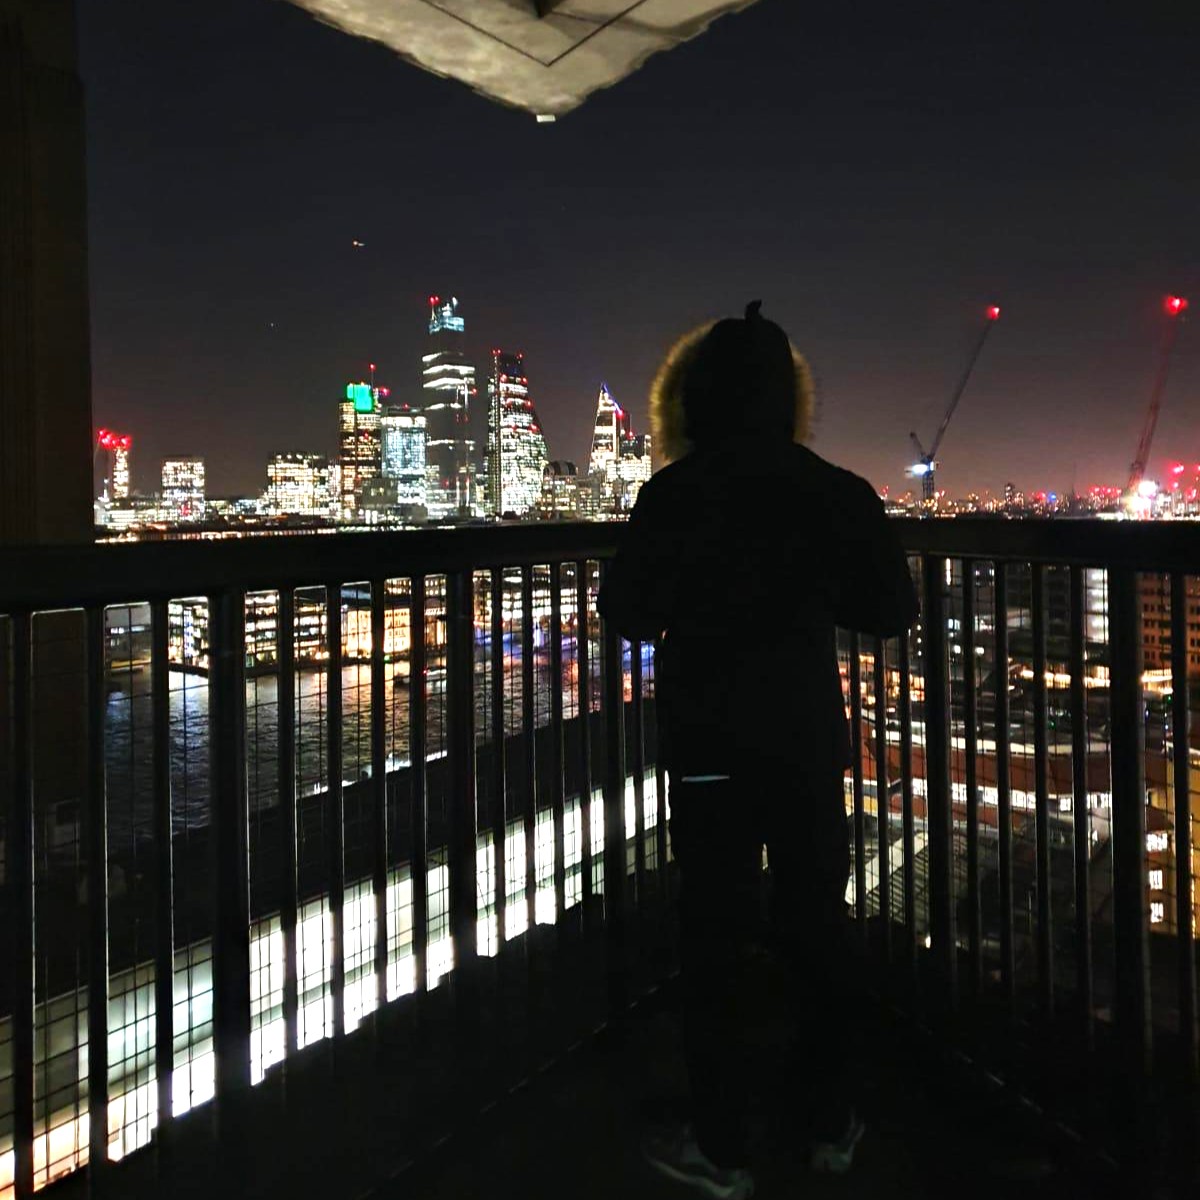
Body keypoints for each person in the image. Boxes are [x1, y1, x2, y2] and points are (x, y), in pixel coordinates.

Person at [597, 302, 918, 1200]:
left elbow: (624, 611)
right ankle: (827, 1122)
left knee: (715, 934)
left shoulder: (675, 493)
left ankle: (724, 1143)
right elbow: (891, 609)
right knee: (817, 925)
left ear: (693, 399)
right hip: (808, 739)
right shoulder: (835, 490)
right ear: (789, 398)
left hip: (708, 742)